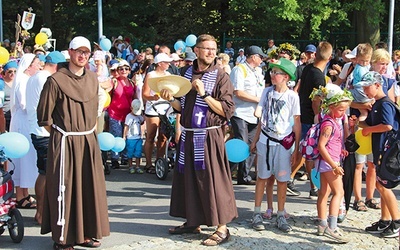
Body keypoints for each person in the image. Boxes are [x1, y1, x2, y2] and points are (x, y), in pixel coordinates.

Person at [161, 34, 237, 246]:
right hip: (189, 133)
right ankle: (193, 221)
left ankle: (222, 227)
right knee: (189, 179)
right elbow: (181, 107)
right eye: (206, 48)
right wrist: (170, 99)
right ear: (196, 50)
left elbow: (226, 110)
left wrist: (205, 95)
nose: (211, 52)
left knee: (214, 180)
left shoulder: (220, 76)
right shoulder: (185, 73)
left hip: (209, 135)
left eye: (214, 49)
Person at [37, 36, 110, 249]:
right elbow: (44, 117)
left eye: (86, 52)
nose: (82, 56)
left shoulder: (92, 79)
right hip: (65, 142)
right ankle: (65, 238)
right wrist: (62, 136)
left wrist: (87, 135)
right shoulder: (55, 81)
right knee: (65, 188)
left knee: (88, 186)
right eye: (78, 51)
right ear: (70, 52)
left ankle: (85, 233)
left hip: (88, 140)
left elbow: (96, 110)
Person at [250, 58, 300, 232]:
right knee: (262, 177)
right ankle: (257, 212)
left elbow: (296, 123)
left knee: (282, 179)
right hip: (265, 140)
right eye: (272, 72)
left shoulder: (293, 96)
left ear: (285, 77)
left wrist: (297, 148)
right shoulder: (267, 92)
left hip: (283, 143)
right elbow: (261, 116)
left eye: (276, 73)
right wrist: (255, 140)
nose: (272, 75)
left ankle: (280, 213)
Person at [26, 51, 66, 225]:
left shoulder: (35, 77)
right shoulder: (46, 79)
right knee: (46, 173)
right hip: (44, 131)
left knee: (44, 171)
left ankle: (41, 212)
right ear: (57, 66)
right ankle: (41, 213)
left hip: (38, 129)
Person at [359, 71, 400, 238]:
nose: (365, 91)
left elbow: (387, 126)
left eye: (367, 87)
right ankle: (385, 220)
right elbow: (369, 123)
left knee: (383, 186)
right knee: (380, 185)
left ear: (377, 85)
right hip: (380, 151)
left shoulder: (385, 104)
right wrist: (359, 123)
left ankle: (396, 222)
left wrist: (368, 129)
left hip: (388, 152)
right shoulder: (376, 104)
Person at [310, 84, 353, 243]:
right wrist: (335, 165)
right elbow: (322, 146)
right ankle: (332, 227)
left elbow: (331, 142)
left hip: (327, 161)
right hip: (330, 163)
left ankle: (322, 224)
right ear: (331, 107)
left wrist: (341, 149)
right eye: (341, 110)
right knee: (339, 192)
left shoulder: (331, 121)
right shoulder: (329, 124)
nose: (343, 113)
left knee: (323, 193)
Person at [297, 41, 333, 199]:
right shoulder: (319, 76)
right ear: (330, 57)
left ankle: (311, 185)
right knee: (311, 153)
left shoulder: (307, 69)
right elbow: (316, 101)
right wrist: (319, 119)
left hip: (303, 113)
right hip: (311, 117)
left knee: (306, 152)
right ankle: (310, 185)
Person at [230, 45, 266, 185]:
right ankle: (226, 172)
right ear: (253, 57)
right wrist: (259, 100)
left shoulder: (258, 71)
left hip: (254, 114)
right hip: (240, 113)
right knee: (241, 144)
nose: (262, 59)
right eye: (260, 57)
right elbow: (238, 92)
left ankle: (243, 176)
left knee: (252, 145)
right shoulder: (239, 69)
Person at [10, 54, 41, 209]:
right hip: (22, 122)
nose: (38, 66)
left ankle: (25, 192)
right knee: (22, 159)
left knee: (27, 159)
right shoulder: (23, 80)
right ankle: (20, 195)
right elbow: (23, 103)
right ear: (29, 65)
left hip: (25, 121)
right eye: (36, 63)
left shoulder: (26, 79)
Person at [142, 53, 173, 173]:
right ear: (159, 64)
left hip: (166, 108)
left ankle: (160, 162)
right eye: (166, 62)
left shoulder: (169, 75)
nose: (168, 64)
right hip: (153, 108)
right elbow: (144, 94)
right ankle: (148, 164)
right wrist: (152, 98)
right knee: (150, 136)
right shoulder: (151, 75)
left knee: (163, 136)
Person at [108, 60, 137, 169]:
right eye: (121, 69)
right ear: (118, 70)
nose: (123, 70)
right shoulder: (114, 81)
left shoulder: (132, 83)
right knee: (116, 136)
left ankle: (125, 157)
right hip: (115, 113)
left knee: (127, 136)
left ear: (129, 70)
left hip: (128, 115)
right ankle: (115, 159)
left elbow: (135, 98)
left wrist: (138, 111)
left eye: (126, 68)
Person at [348, 43, 374, 121]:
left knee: (364, 113)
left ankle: (359, 125)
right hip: (360, 93)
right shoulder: (360, 69)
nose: (364, 63)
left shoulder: (363, 67)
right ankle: (359, 126)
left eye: (367, 61)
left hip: (361, 92)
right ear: (357, 58)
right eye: (362, 60)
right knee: (364, 113)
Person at [123, 99, 144, 174]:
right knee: (130, 152)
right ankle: (130, 166)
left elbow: (142, 122)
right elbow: (126, 126)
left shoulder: (139, 116)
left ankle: (137, 166)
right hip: (130, 138)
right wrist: (124, 136)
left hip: (138, 137)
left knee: (138, 152)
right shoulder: (128, 116)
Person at [1, 60, 18, 131]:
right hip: (4, 117)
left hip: (15, 117)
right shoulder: (1, 84)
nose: (13, 74)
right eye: (10, 71)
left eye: (15, 71)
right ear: (4, 73)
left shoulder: (18, 84)